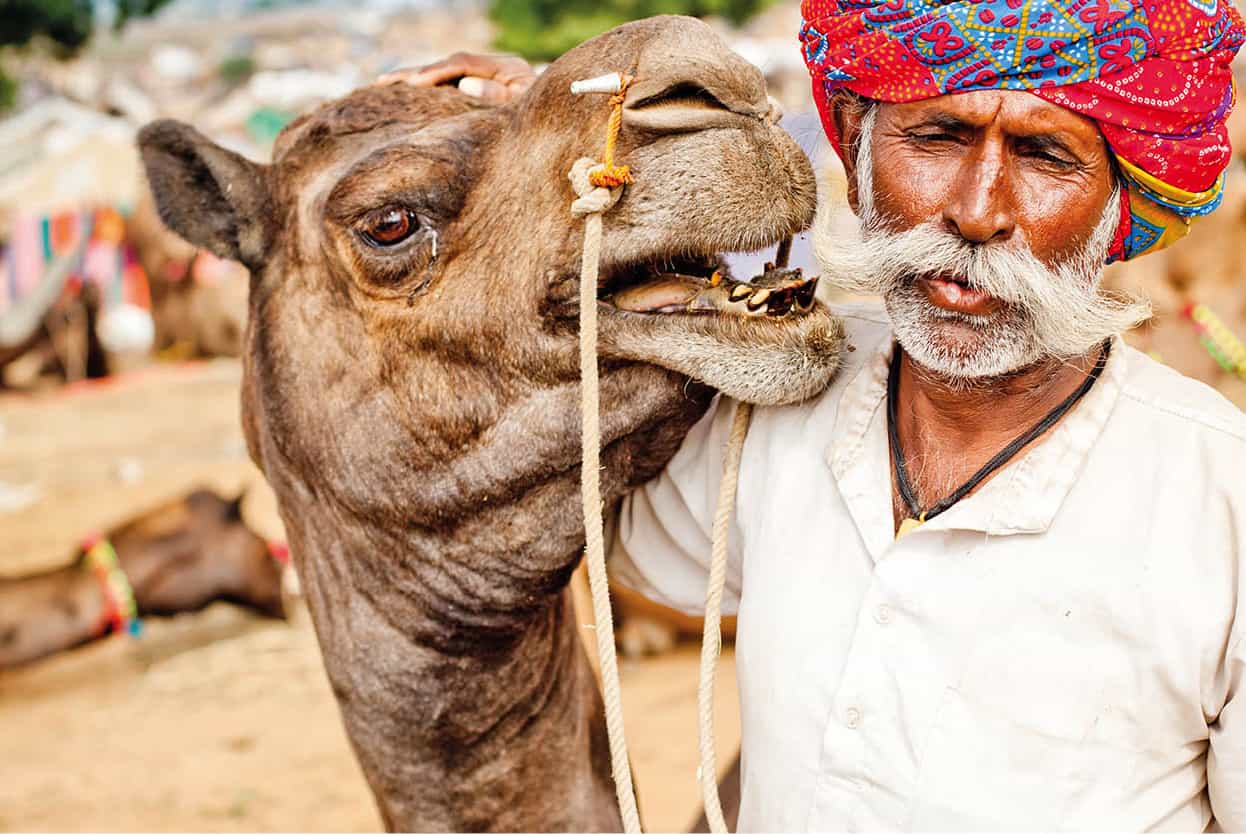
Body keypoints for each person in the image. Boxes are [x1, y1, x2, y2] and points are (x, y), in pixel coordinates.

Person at [393, 0, 1246, 827]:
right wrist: (548, 128)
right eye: (938, 136)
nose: (978, 212)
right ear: (861, 157)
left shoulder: (1221, 503)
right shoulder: (764, 417)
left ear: (1120, 201)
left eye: (1047, 155)